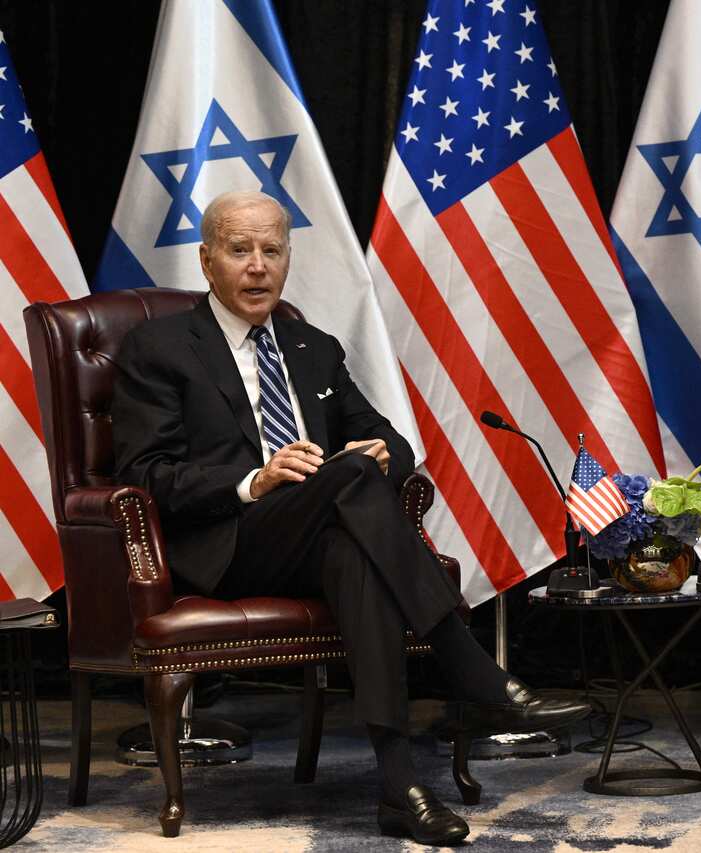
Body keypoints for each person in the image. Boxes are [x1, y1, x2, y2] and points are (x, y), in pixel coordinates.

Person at [111, 190, 589, 846]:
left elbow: (392, 447)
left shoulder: (314, 348)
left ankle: (400, 789)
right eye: (240, 249)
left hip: (323, 532)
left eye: (272, 250)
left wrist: (368, 459)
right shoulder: (160, 347)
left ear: (288, 259)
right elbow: (145, 474)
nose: (257, 265)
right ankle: (471, 666)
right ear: (206, 260)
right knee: (353, 478)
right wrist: (256, 478)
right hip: (230, 541)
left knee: (352, 541)